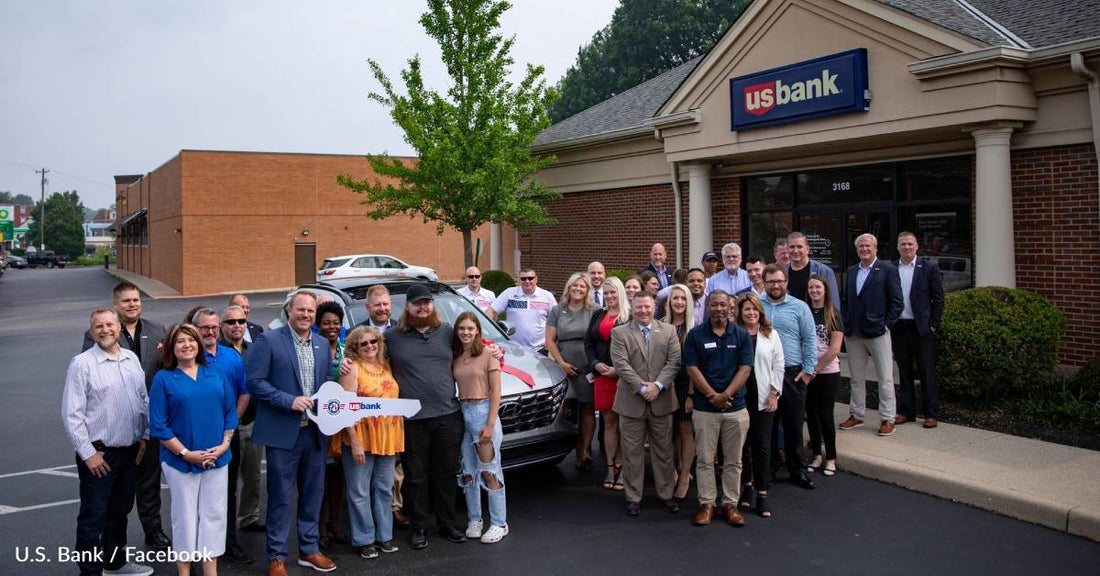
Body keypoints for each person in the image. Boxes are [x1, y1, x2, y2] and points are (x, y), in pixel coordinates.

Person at [246, 290, 336, 576]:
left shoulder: (322, 344)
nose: (306, 315)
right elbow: (255, 382)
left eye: (311, 311)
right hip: (283, 433)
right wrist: (289, 400)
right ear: (289, 311)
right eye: (301, 310)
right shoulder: (269, 341)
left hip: (315, 434)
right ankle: (276, 556)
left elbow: (326, 383)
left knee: (312, 494)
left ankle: (309, 550)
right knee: (281, 498)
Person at [80, 281, 169, 552]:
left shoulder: (157, 330)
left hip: (147, 424)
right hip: (113, 429)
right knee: (112, 501)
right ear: (115, 305)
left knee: (150, 484)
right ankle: (105, 555)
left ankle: (153, 533)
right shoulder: (102, 333)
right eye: (127, 301)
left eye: (136, 300)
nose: (133, 304)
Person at [64, 308, 154, 576]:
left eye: (109, 325)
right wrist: (88, 454)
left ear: (118, 327)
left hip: (130, 452)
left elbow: (143, 401)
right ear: (92, 331)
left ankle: (114, 563)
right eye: (98, 326)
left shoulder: (130, 359)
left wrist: (144, 437)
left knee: (119, 512)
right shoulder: (82, 364)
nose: (104, 330)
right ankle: (90, 572)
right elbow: (72, 414)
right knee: (93, 517)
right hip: (100, 455)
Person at [150, 322, 238, 576]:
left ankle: (210, 570)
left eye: (191, 339)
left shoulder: (215, 373)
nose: (186, 345)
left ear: (199, 344)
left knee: (213, 515)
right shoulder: (164, 379)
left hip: (216, 459)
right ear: (171, 347)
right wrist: (186, 454)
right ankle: (185, 571)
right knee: (185, 517)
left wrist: (223, 446)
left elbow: (230, 413)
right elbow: (159, 425)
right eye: (180, 341)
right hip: (180, 462)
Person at [387, 284, 467, 549]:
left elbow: (471, 353)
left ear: (433, 305)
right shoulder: (393, 337)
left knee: (445, 474)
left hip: (448, 414)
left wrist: (496, 354)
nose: (422, 308)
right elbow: (367, 357)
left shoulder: (447, 333)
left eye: (427, 303)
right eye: (417, 304)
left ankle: (447, 524)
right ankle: (419, 526)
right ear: (407, 307)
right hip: (412, 420)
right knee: (415, 476)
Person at [682, 291, 752, 527]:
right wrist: (713, 396)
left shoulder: (741, 335)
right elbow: (691, 368)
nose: (719, 308)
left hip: (736, 408)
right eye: (714, 304)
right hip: (705, 408)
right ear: (708, 307)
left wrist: (726, 395)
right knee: (704, 459)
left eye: (723, 304)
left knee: (734, 460)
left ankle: (730, 504)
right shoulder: (695, 335)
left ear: (730, 308)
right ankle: (707, 504)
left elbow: (745, 369)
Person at [610, 293, 681, 516]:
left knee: (664, 451)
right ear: (632, 306)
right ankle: (633, 498)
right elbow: (620, 364)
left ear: (655, 307)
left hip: (662, 400)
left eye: (647, 307)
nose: (643, 311)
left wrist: (657, 386)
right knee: (632, 453)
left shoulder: (669, 331)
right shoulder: (620, 332)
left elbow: (674, 361)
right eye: (639, 306)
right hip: (631, 401)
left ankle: (666, 495)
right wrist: (642, 388)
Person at [192, 308, 252, 564]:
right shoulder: (188, 356)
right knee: (194, 498)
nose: (210, 332)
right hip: (195, 439)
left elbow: (244, 393)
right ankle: (195, 551)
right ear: (195, 329)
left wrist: (231, 425)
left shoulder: (231, 357)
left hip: (227, 437)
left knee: (226, 493)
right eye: (205, 327)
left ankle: (228, 542)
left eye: (214, 327)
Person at [337, 326, 403, 559]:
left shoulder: (386, 366)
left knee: (384, 489)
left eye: (373, 341)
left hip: (386, 436)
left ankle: (384, 536)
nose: (369, 346)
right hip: (360, 436)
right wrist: (353, 441)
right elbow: (345, 406)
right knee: (359, 490)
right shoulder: (351, 368)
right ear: (355, 347)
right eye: (363, 343)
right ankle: (365, 539)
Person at [453, 312, 510, 544]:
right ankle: (475, 519)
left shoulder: (488, 354)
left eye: (470, 328)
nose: (466, 332)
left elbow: (496, 391)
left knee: (489, 470)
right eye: (462, 328)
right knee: (468, 472)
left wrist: (489, 424)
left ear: (478, 330)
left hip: (483, 411)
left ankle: (499, 522)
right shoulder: (456, 355)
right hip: (462, 412)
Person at [759, 265, 818, 490]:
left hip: (793, 374)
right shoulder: (757, 305)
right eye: (771, 281)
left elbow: (810, 339)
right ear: (764, 283)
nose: (775, 285)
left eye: (779, 281)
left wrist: (809, 370)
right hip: (765, 374)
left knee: (793, 424)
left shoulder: (800, 307)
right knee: (769, 425)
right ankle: (770, 469)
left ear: (786, 283)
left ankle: (797, 470)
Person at [839, 233, 904, 437]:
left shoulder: (887, 270)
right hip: (854, 334)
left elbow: (897, 302)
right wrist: (846, 323)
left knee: (885, 378)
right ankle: (857, 414)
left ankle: (887, 418)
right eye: (861, 246)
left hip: (877, 333)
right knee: (856, 379)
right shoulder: (851, 271)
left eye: (868, 246)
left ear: (875, 248)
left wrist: (885, 325)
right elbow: (847, 300)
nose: (864, 249)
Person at [734, 294, 784, 518]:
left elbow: (779, 365)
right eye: (746, 310)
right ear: (740, 313)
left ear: (760, 312)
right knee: (742, 446)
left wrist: (774, 393)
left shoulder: (770, 335)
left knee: (762, 446)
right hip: (740, 397)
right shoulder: (734, 333)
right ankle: (746, 486)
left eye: (754, 309)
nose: (751, 313)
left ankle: (762, 493)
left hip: (763, 397)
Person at [892, 231, 945, 429]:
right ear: (898, 247)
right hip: (899, 327)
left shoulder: (928, 268)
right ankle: (907, 412)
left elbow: (938, 299)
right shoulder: (891, 268)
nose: (906, 247)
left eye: (910, 244)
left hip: (921, 329)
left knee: (927, 372)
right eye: (903, 244)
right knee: (904, 372)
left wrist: (933, 324)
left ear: (916, 247)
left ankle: (931, 414)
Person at [545, 273, 596, 470]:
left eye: (582, 287)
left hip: (587, 367)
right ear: (568, 287)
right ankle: (572, 448)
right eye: (574, 286)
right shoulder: (558, 310)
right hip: (565, 366)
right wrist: (562, 363)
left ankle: (585, 450)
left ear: (587, 290)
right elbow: (549, 340)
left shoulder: (595, 310)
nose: (578, 289)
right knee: (567, 411)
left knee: (588, 409)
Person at [221, 305, 265, 534]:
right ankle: (224, 525)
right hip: (227, 427)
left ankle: (249, 517)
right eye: (231, 322)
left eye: (241, 321)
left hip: (253, 422)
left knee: (252, 474)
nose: (237, 325)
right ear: (222, 326)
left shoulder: (255, 349)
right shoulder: (215, 352)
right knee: (226, 479)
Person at [585, 277, 630, 492]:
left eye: (613, 292)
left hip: (623, 378)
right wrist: (595, 363)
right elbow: (589, 342)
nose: (610, 296)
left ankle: (623, 467)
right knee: (609, 422)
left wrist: (619, 370)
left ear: (620, 292)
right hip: (602, 376)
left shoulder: (629, 316)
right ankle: (611, 467)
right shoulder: (598, 314)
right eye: (606, 292)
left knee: (624, 423)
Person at [315, 301, 349, 550]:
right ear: (319, 325)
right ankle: (319, 527)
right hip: (318, 422)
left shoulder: (347, 350)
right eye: (326, 323)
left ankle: (335, 523)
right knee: (319, 480)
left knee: (338, 477)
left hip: (342, 423)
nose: (331, 327)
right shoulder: (313, 348)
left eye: (335, 323)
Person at [805, 275, 844, 477]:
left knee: (825, 415)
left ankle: (831, 458)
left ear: (825, 290)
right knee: (811, 415)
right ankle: (816, 455)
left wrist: (815, 369)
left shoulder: (833, 314)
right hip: (808, 373)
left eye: (818, 287)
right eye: (811, 287)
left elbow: (835, 349)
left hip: (827, 372)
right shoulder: (804, 311)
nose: (814, 290)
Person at [663, 284, 696, 501]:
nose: (678, 302)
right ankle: (673, 469)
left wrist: (692, 394)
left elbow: (696, 363)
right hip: (665, 385)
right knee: (669, 431)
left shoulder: (693, 329)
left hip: (686, 385)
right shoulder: (662, 326)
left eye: (682, 299)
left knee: (685, 429)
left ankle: (685, 475)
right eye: (675, 298)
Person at [488, 267, 556, 351]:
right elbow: (491, 311)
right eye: (523, 279)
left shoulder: (547, 296)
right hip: (512, 348)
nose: (527, 281)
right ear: (519, 280)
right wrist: (489, 331)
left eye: (530, 278)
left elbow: (557, 320)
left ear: (536, 279)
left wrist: (551, 340)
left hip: (539, 349)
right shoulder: (509, 293)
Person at [786, 231, 840, 308]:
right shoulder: (782, 271)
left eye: (799, 247)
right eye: (792, 247)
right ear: (787, 249)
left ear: (807, 249)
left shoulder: (824, 271)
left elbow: (833, 303)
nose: (795, 251)